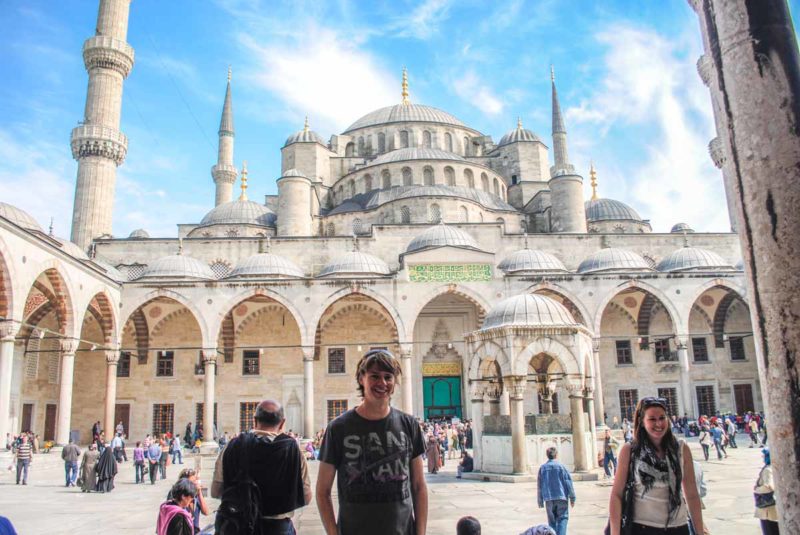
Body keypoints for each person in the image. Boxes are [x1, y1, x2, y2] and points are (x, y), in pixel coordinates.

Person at [316, 349, 428, 535]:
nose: (382, 383)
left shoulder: (409, 425)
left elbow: (418, 486)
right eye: (374, 376)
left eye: (388, 377)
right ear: (362, 379)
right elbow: (322, 490)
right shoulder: (338, 428)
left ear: (394, 381)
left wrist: (421, 532)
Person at [212, 399, 311, 535]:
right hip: (277, 528)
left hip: (238, 525)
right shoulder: (293, 450)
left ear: (254, 420)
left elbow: (215, 491)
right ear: (282, 423)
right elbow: (306, 496)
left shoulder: (232, 446)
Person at [609, 397, 704, 535]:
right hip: (642, 528)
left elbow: (692, 494)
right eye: (652, 419)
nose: (658, 423)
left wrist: (699, 532)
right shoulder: (630, 450)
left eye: (662, 418)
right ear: (642, 422)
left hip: (678, 527)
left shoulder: (681, 448)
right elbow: (616, 494)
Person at [536, 447, 575, 535]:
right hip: (562, 498)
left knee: (552, 522)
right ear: (556, 455)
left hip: (549, 499)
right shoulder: (562, 467)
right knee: (562, 519)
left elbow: (539, 485)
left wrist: (540, 501)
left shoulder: (543, 468)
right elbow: (568, 483)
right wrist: (572, 498)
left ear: (547, 456)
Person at [754, 448, 779, 535]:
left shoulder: (768, 469)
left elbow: (768, 487)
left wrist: (757, 489)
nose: (763, 458)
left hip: (767, 507)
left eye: (764, 456)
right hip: (771, 507)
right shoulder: (773, 467)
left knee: (769, 529)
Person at [176, 468, 209, 534]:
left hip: (195, 531)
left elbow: (206, 512)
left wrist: (199, 492)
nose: (195, 484)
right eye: (192, 482)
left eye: (195, 481)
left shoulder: (196, 496)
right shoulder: (178, 496)